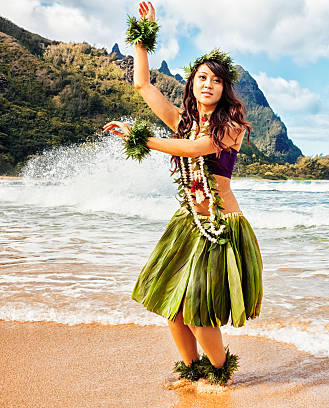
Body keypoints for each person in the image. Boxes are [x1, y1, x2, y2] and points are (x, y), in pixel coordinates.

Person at [103, 1, 263, 385]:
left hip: (219, 225)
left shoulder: (231, 127)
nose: (208, 84)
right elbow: (143, 84)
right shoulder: (183, 121)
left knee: (196, 309)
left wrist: (140, 137)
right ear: (192, 83)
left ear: (225, 90)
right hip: (187, 223)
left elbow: (193, 149)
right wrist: (144, 35)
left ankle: (221, 373)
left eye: (217, 80)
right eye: (202, 78)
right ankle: (193, 373)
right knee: (172, 308)